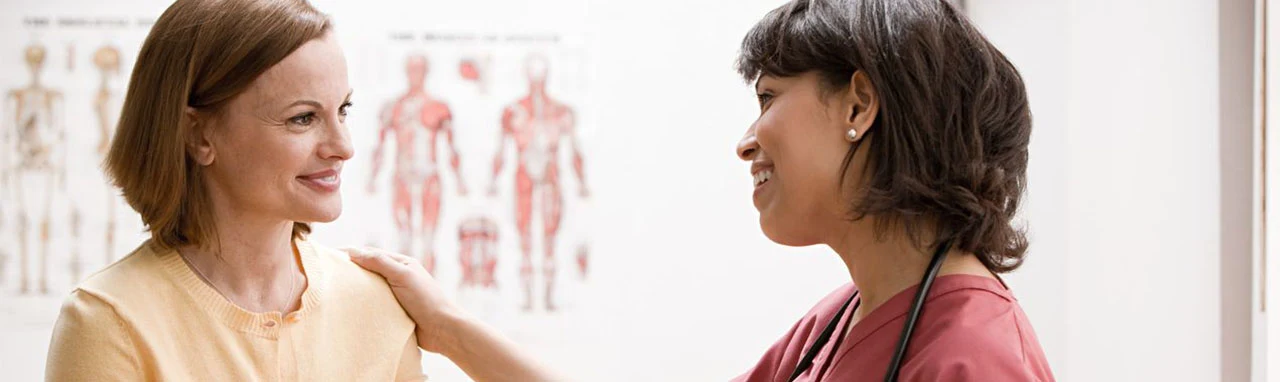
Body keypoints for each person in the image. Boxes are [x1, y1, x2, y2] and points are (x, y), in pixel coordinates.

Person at [351, 0, 1054, 380]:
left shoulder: (977, 358)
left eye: (769, 98)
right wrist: (447, 328)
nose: (746, 141)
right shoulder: (838, 322)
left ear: (858, 105)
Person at [44, 0, 424, 380]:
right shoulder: (110, 322)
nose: (343, 147)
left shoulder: (377, 302)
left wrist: (449, 327)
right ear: (198, 135)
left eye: (343, 109)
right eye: (303, 118)